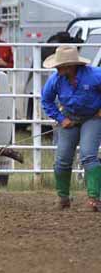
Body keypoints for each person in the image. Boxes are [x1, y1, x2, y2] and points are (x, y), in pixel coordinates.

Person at [41, 46, 101, 212]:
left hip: (93, 117)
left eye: (59, 65)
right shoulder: (55, 80)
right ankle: (63, 197)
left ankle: (94, 199)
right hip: (70, 117)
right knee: (62, 159)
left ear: (70, 66)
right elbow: (46, 101)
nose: (56, 68)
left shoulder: (95, 75)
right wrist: (61, 119)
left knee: (88, 155)